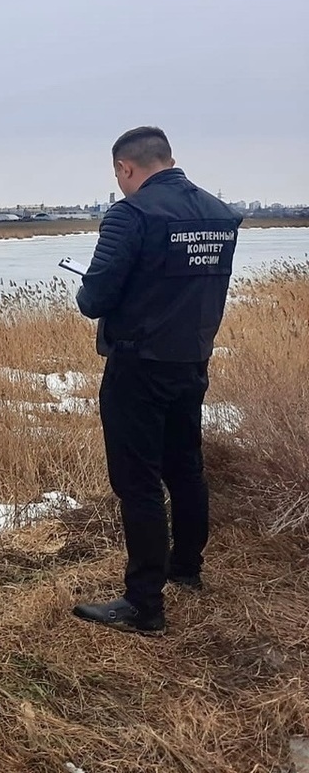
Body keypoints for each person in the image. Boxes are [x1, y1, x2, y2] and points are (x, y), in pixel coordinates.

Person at [72, 126, 242, 634]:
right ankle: (186, 568)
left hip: (138, 364)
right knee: (185, 466)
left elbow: (94, 300)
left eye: (119, 175)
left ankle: (144, 604)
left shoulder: (131, 215)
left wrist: (93, 284)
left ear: (126, 168)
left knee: (138, 481)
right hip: (191, 361)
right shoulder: (219, 214)